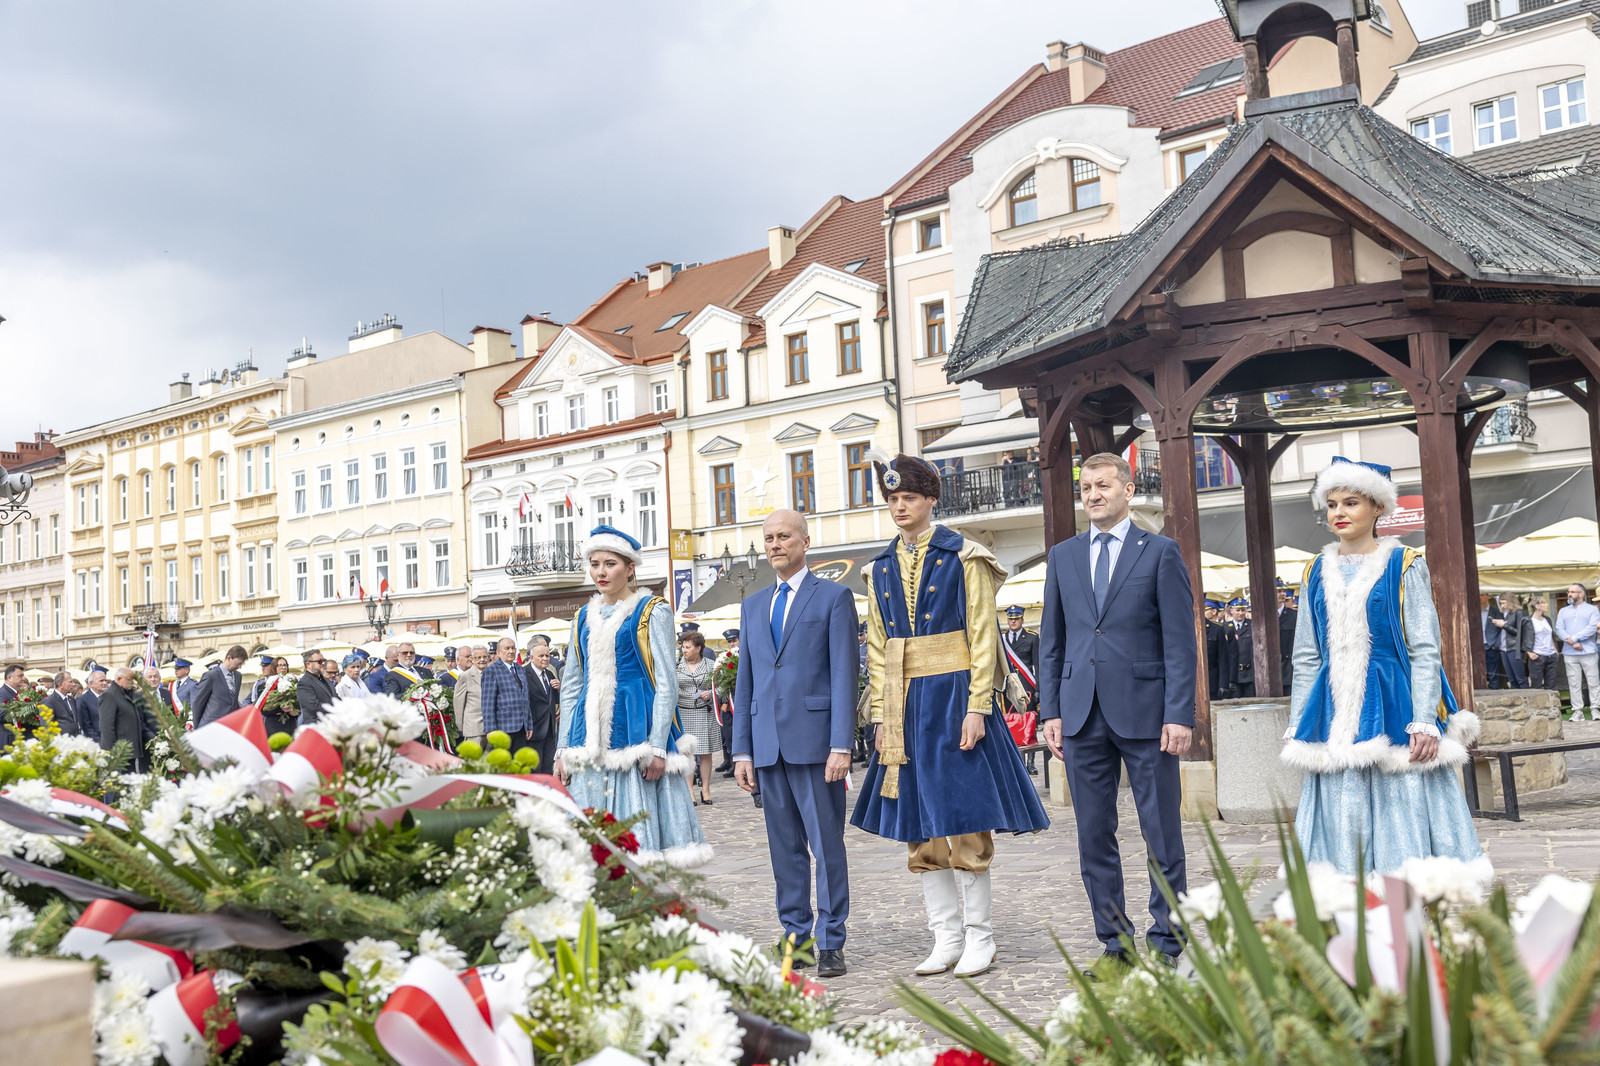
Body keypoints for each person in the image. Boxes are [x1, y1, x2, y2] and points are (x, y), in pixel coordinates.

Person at [853, 455, 1048, 979]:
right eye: (893, 499)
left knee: (965, 817)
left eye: (909, 498)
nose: (900, 507)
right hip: (905, 703)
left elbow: (983, 635)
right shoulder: (878, 568)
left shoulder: (965, 556)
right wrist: (881, 714)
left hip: (955, 694)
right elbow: (877, 647)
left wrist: (978, 706)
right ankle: (946, 937)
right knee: (919, 823)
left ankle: (981, 936)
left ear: (931, 500)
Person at [1283, 459, 1487, 881]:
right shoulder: (1314, 571)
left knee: (1402, 801)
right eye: (1332, 504)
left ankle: (1404, 899)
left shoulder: (1404, 564)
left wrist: (1424, 718)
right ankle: (1351, 901)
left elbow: (1425, 649)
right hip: (1334, 710)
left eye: (1351, 503)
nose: (1339, 513)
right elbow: (1306, 656)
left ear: (1378, 507)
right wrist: (1299, 719)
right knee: (1342, 811)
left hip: (1394, 702)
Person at [1039, 451, 1193, 968]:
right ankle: (1115, 943)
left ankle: (1167, 941)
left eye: (1103, 485)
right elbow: (1052, 641)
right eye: (1086, 488)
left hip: (1147, 714)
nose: (1093, 495)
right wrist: (1050, 710)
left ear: (1127, 490)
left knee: (1161, 831)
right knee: (1092, 834)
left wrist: (1179, 713)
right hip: (1080, 714)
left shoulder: (1160, 552)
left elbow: (1180, 642)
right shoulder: (1062, 556)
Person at [734, 510, 857, 977]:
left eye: (784, 536)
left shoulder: (833, 597)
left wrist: (841, 744)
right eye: (768, 537)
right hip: (767, 745)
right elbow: (746, 681)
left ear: (805, 542)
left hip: (816, 744)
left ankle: (831, 941)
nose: (774, 544)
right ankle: (796, 938)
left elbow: (845, 674)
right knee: (784, 850)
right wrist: (742, 750)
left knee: (827, 847)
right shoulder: (753, 605)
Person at [555, 525, 709, 867]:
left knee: (641, 846)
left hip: (636, 731)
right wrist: (563, 748)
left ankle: (645, 899)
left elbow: (666, 681)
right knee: (588, 848)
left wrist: (657, 746)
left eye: (610, 564)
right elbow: (571, 686)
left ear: (629, 568)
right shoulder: (582, 617)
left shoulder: (651, 610)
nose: (600, 572)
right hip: (586, 737)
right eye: (594, 564)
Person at [676, 630, 717, 805]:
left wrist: (711, 693)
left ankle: (706, 790)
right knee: (687, 753)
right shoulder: (676, 665)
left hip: (704, 712)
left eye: (688, 647)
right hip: (684, 712)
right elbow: (671, 688)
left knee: (706, 753)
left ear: (698, 648)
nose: (684, 650)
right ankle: (689, 791)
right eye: (683, 647)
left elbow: (720, 687)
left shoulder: (711, 665)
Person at [1555, 583, 1599, 719]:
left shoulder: (1592, 610)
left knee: (1593, 682)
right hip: (1570, 653)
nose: (1569, 594)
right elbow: (1559, 629)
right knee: (1573, 683)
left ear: (1581, 594)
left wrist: (1574, 638)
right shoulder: (1563, 611)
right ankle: (1578, 711)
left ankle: (1595, 709)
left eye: (1572, 592)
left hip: (1589, 651)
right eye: (1568, 591)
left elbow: (1592, 627)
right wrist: (1572, 642)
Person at [482, 637, 534, 751]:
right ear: (498, 652)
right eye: (507, 648)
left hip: (521, 728)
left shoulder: (520, 669)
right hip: (502, 728)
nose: (511, 651)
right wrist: (490, 729)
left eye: (513, 648)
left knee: (518, 761)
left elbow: (526, 699)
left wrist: (529, 724)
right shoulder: (491, 670)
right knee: (502, 761)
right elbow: (487, 703)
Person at [100, 668, 149, 771]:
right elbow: (106, 726)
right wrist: (112, 751)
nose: (132, 682)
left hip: (129, 750)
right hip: (119, 752)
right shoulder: (109, 695)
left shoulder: (128, 693)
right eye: (129, 679)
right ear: (119, 679)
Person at [192, 647, 247, 728]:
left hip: (229, 726)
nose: (239, 667)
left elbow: (233, 702)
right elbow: (198, 704)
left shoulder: (238, 676)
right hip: (211, 726)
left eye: (242, 664)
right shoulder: (211, 676)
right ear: (229, 658)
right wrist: (197, 727)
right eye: (238, 663)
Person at [525, 641, 559, 771]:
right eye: (541, 656)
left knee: (548, 767)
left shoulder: (550, 674)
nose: (545, 659)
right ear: (531, 658)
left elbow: (553, 699)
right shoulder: (524, 673)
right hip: (533, 729)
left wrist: (559, 689)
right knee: (534, 768)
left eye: (547, 655)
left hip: (550, 729)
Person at [714, 629, 740, 775]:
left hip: (740, 703)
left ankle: (736, 764)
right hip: (727, 703)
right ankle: (729, 761)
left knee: (739, 734)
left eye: (734, 641)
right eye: (729, 642)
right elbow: (720, 681)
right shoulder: (724, 658)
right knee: (728, 734)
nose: (732, 644)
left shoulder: (743, 656)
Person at [1204, 598, 1238, 700]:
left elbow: (1223, 659)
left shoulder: (1217, 629)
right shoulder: (1185, 628)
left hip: (1212, 682)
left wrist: (1224, 684)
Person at [1497, 595, 1532, 690]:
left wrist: (1504, 625)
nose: (1502, 606)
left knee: (1520, 678)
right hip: (1504, 648)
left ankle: (1527, 697)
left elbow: (1520, 632)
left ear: (1510, 601)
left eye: (1504, 603)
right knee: (1511, 679)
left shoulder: (1519, 612)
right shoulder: (1508, 614)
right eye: (1501, 603)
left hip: (1514, 648)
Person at [457, 645, 489, 748]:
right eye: (478, 657)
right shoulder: (465, 676)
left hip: (492, 728)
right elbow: (458, 703)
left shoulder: (493, 674)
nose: (482, 660)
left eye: (484, 657)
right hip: (473, 729)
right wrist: (460, 727)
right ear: (472, 659)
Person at [1527, 597, 1561, 691]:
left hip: (1551, 655)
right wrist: (1530, 653)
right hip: (1537, 655)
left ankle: (1550, 701)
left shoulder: (1547, 619)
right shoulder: (1528, 620)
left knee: (1551, 684)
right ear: (1537, 606)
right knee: (1536, 685)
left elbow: (1551, 635)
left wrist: (1555, 650)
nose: (1547, 604)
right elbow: (1524, 637)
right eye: (1544, 603)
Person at [296, 650, 336, 728]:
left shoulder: (326, 680)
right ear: (308, 664)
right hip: (315, 726)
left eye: (324, 660)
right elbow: (313, 706)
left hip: (329, 725)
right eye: (319, 661)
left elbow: (335, 698)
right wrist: (334, 709)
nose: (323, 663)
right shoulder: (304, 683)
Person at [1229, 598, 1255, 698]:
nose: (1241, 613)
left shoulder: (1253, 625)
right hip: (1233, 675)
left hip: (1249, 674)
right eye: (1238, 610)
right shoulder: (1225, 627)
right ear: (1231, 611)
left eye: (1243, 610)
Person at [1276, 581, 1298, 691]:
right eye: (1279, 591)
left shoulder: (1293, 616)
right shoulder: (1263, 616)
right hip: (1269, 671)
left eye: (1284, 591)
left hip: (1289, 670)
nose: (1283, 594)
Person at [78, 669, 106, 744]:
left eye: (105, 680)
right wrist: (98, 741)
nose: (105, 683)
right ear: (91, 683)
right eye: (101, 681)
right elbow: (85, 725)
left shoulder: (108, 697)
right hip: (94, 742)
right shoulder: (83, 700)